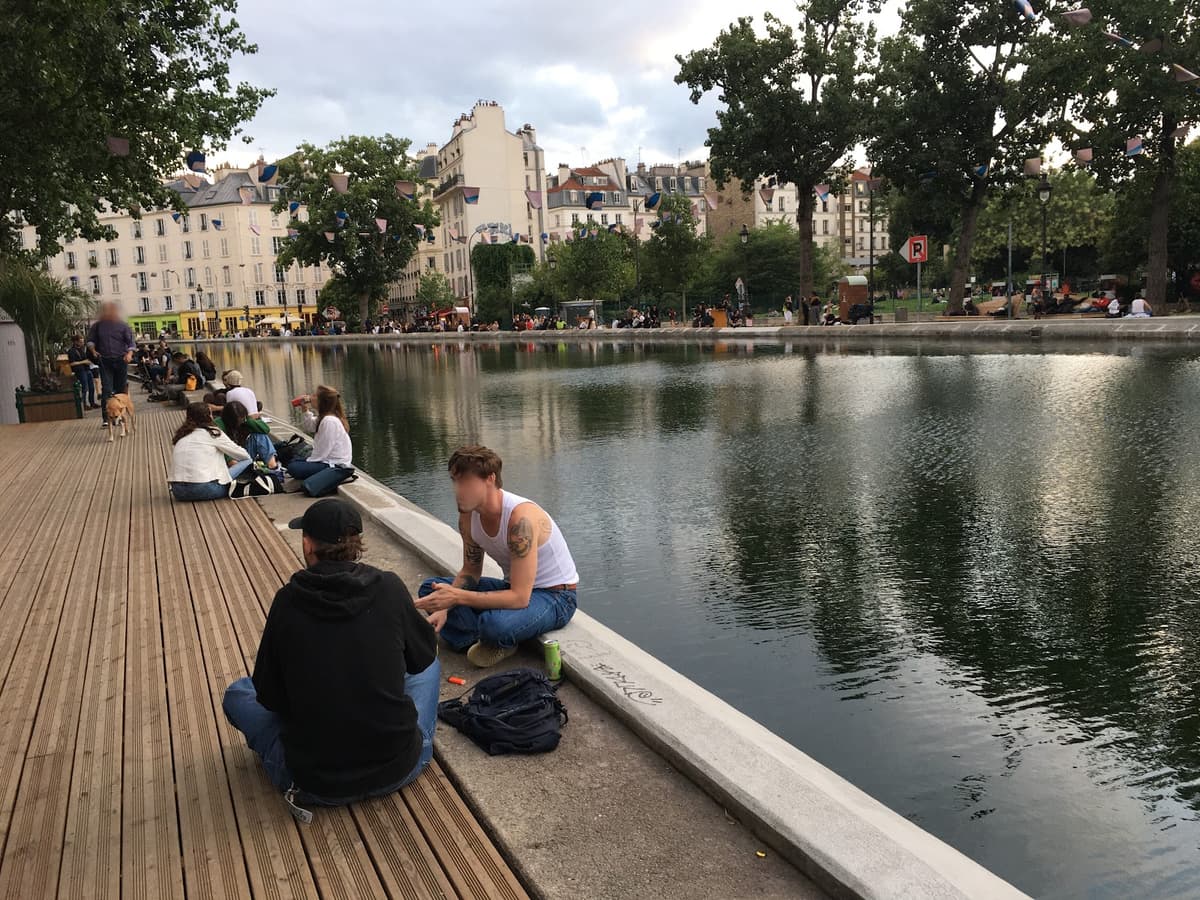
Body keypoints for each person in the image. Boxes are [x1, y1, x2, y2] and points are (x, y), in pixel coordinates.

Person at [222, 499, 440, 807]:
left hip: (315, 782)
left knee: (238, 692)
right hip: (398, 768)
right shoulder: (389, 587)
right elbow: (422, 656)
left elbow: (269, 697)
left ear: (308, 544)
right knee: (429, 667)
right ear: (357, 545)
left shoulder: (287, 602)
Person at [416, 446, 578, 668]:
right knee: (432, 589)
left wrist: (457, 598)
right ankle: (488, 640)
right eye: (454, 481)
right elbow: (471, 571)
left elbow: (520, 598)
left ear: (489, 479)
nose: (457, 490)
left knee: (494, 624)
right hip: (513, 587)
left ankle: (489, 636)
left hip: (556, 596)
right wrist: (444, 606)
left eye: (465, 482)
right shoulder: (468, 515)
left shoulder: (520, 520)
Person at [168, 402, 252, 501]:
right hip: (203, 489)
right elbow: (243, 455)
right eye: (211, 414)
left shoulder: (182, 435)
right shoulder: (213, 433)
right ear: (208, 416)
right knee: (248, 460)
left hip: (178, 492)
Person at [287, 385, 353, 481]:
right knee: (294, 459)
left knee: (293, 467)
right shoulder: (324, 417)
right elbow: (309, 426)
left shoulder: (329, 421)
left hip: (335, 465)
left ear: (322, 401)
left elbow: (323, 450)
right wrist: (305, 409)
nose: (310, 397)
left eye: (314, 395)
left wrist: (309, 461)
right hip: (326, 460)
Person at [86, 299, 135, 428]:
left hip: (121, 360)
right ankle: (106, 418)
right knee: (106, 389)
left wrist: (129, 354)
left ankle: (120, 416)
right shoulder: (97, 326)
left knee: (121, 390)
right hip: (105, 360)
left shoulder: (123, 326)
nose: (109, 313)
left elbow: (131, 343)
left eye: (112, 310)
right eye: (107, 310)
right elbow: (90, 341)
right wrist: (93, 350)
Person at [217, 399, 282, 480]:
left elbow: (265, 430)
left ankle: (273, 467)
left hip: (243, 456)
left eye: (242, 419)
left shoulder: (245, 421)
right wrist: (232, 462)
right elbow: (220, 446)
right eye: (238, 421)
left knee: (258, 435)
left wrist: (247, 420)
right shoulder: (219, 425)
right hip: (229, 459)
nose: (240, 423)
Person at [67, 335, 99, 410]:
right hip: (80, 371)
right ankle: (83, 404)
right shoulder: (72, 351)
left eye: (82, 341)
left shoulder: (82, 350)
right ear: (75, 342)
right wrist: (83, 362)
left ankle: (92, 402)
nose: (82, 343)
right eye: (80, 341)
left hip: (87, 369)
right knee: (84, 388)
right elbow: (72, 363)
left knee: (91, 387)